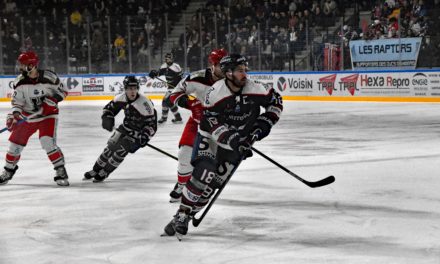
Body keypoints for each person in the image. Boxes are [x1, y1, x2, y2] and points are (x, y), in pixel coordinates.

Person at [164, 54, 283, 237]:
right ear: (228, 73)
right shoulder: (216, 93)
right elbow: (210, 121)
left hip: (238, 142)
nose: (245, 74)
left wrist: (260, 128)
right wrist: (233, 139)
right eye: (240, 71)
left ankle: (188, 216)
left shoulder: (258, 88)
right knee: (204, 173)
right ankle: (182, 213)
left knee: (213, 185)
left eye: (245, 70)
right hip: (210, 137)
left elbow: (276, 103)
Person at [167, 48, 228, 202]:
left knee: (210, 163)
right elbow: (174, 94)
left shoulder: (232, 80)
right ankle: (182, 185)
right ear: (213, 65)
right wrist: (191, 103)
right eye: (221, 65)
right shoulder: (197, 77)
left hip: (220, 127)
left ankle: (198, 185)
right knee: (184, 155)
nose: (225, 69)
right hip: (197, 122)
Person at [0, 51, 69, 186]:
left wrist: (53, 100)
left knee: (47, 142)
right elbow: (17, 103)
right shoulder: (19, 82)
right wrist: (14, 116)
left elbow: (64, 91)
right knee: (14, 146)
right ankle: (8, 171)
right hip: (28, 117)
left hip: (47, 116)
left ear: (32, 65)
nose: (20, 68)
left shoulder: (50, 77)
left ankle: (60, 170)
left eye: (23, 65)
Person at [83, 76, 157, 182]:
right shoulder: (120, 98)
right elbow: (109, 109)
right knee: (109, 149)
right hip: (124, 128)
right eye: (130, 88)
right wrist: (107, 117)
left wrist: (145, 136)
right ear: (125, 89)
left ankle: (105, 172)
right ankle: (96, 169)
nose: (133, 91)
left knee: (120, 151)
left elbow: (152, 124)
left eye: (135, 88)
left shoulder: (145, 103)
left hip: (137, 133)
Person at [148, 53, 183, 124]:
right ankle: (177, 118)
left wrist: (179, 86)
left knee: (167, 101)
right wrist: (154, 74)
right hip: (170, 88)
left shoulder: (176, 67)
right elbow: (158, 73)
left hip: (177, 88)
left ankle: (168, 118)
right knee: (167, 102)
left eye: (169, 58)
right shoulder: (163, 66)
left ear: (172, 59)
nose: (168, 60)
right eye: (167, 58)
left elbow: (181, 78)